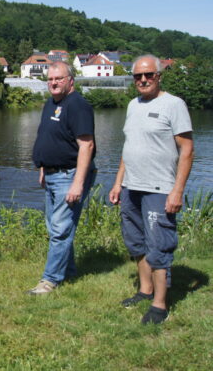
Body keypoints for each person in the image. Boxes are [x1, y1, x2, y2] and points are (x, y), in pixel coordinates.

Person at [109, 55, 193, 325]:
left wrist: (177, 191)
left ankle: (160, 305)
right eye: (138, 76)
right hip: (131, 186)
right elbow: (128, 147)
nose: (143, 80)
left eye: (149, 75)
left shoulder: (174, 104)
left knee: (159, 246)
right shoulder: (133, 105)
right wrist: (118, 183)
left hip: (159, 189)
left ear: (159, 76)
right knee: (135, 241)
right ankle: (145, 291)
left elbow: (187, 149)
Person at [29, 61, 96, 295]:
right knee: (55, 226)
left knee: (60, 229)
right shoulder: (52, 102)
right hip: (52, 174)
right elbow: (48, 136)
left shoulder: (77, 105)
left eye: (58, 79)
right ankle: (68, 270)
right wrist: (43, 168)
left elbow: (86, 145)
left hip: (70, 175)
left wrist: (78, 182)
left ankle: (50, 280)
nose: (54, 83)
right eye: (50, 79)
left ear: (70, 81)